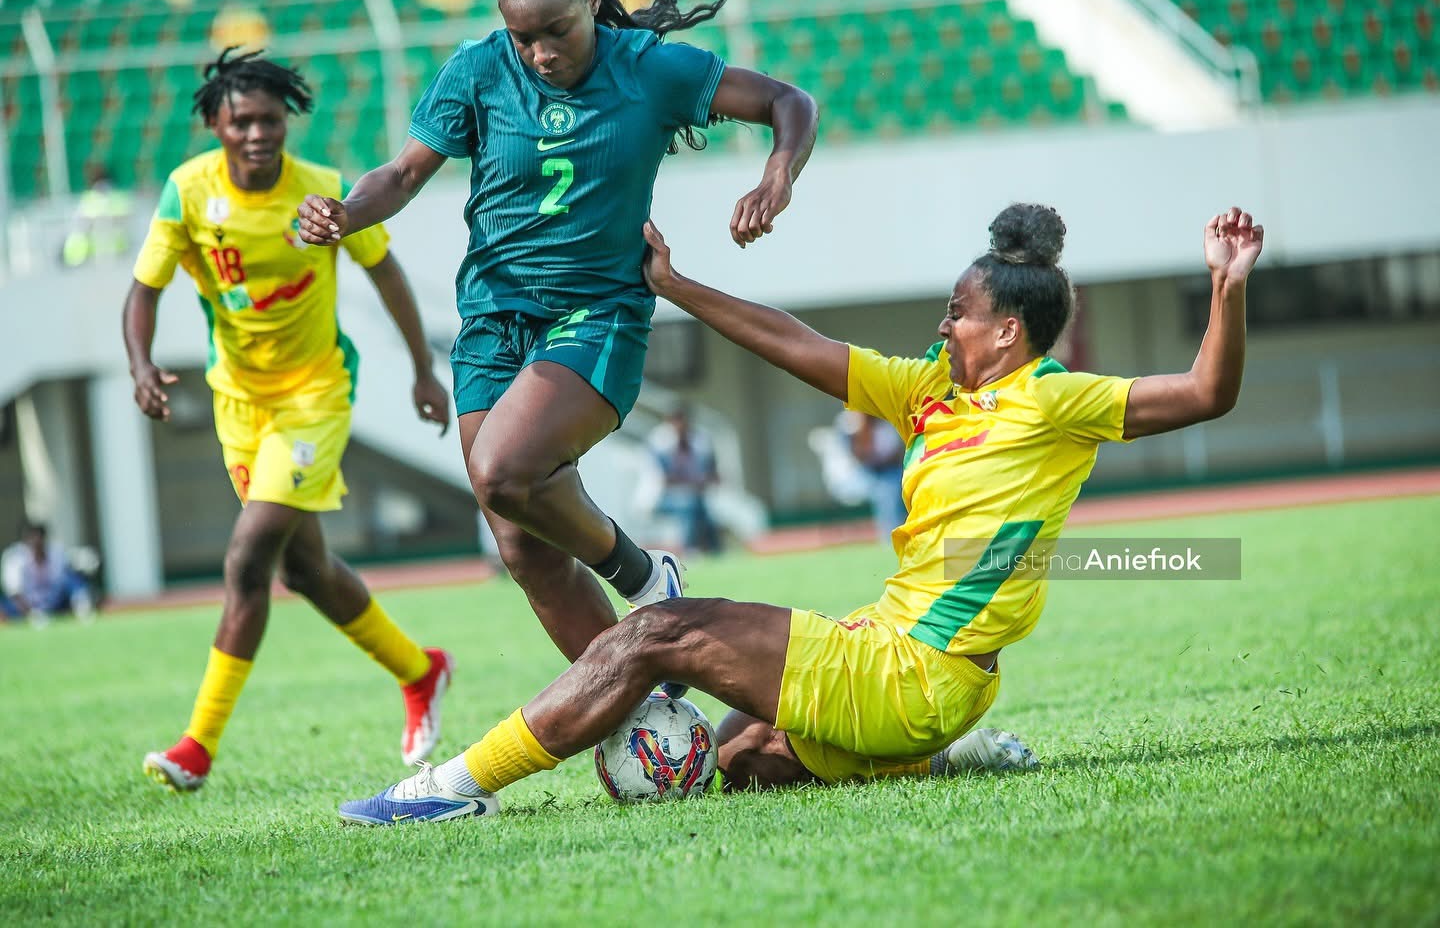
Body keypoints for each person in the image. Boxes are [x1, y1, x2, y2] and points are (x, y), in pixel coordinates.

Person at [335, 202, 1263, 821]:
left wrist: (1226, 285)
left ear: (1008, 330)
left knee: (656, 629)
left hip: (912, 672)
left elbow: (1205, 393)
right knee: (741, 764)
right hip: (905, 665)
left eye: (957, 314)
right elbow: (798, 344)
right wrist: (678, 287)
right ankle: (943, 759)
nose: (943, 327)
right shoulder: (930, 391)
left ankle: (452, 788)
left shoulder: (1058, 399)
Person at [298, 0, 818, 671]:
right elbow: (403, 174)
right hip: (491, 321)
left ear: (593, 1)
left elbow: (786, 101)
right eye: (523, 36)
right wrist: (346, 211)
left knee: (504, 473)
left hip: (597, 316)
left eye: (557, 31)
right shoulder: (478, 70)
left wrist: (778, 176)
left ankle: (645, 577)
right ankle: (640, 717)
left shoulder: (650, 69)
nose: (541, 52)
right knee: (519, 540)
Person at [123, 48, 455, 793]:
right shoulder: (187, 194)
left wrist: (423, 370)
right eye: (241, 120)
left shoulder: (325, 191)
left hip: (315, 395)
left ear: (287, 123)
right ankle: (419, 669)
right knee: (305, 569)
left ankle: (196, 747)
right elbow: (142, 290)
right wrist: (141, 365)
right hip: (239, 403)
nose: (257, 133)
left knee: (249, 560)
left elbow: (385, 271)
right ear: (215, 122)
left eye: (271, 120)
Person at [647, 407, 722, 555]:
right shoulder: (660, 443)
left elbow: (712, 472)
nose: (680, 426)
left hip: (696, 495)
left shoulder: (698, 440)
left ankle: (715, 551)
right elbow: (665, 480)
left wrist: (704, 480)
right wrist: (695, 481)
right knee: (690, 505)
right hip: (661, 498)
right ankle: (690, 550)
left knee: (704, 510)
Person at [0, 521, 95, 623]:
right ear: (25, 541)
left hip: (53, 602)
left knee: (71, 577)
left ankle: (82, 608)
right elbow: (14, 593)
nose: (36, 542)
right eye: (31, 538)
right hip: (26, 605)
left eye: (38, 537)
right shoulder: (14, 558)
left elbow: (72, 580)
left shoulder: (57, 553)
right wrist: (32, 614)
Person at [840, 410, 907, 541]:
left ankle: (895, 535)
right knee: (885, 490)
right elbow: (858, 456)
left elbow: (893, 456)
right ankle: (890, 537)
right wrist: (863, 429)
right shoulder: (850, 423)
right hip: (859, 474)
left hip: (888, 472)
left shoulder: (886, 423)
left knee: (890, 487)